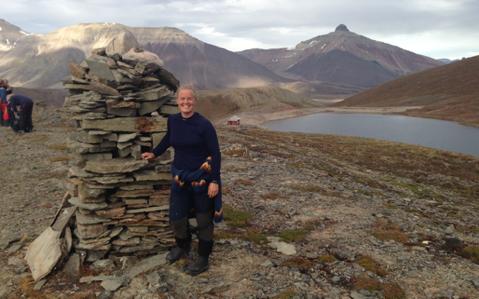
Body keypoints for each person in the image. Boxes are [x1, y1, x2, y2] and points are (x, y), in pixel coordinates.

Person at [141, 86, 222, 276]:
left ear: (194, 101)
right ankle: (182, 246)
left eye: (189, 99)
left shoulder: (204, 125)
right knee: (177, 216)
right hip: (179, 176)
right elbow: (168, 139)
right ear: (177, 101)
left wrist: (215, 181)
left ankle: (203, 257)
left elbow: (215, 154)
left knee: (203, 219)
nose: (186, 102)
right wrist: (154, 153)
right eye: (182, 99)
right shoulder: (173, 121)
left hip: (201, 178)